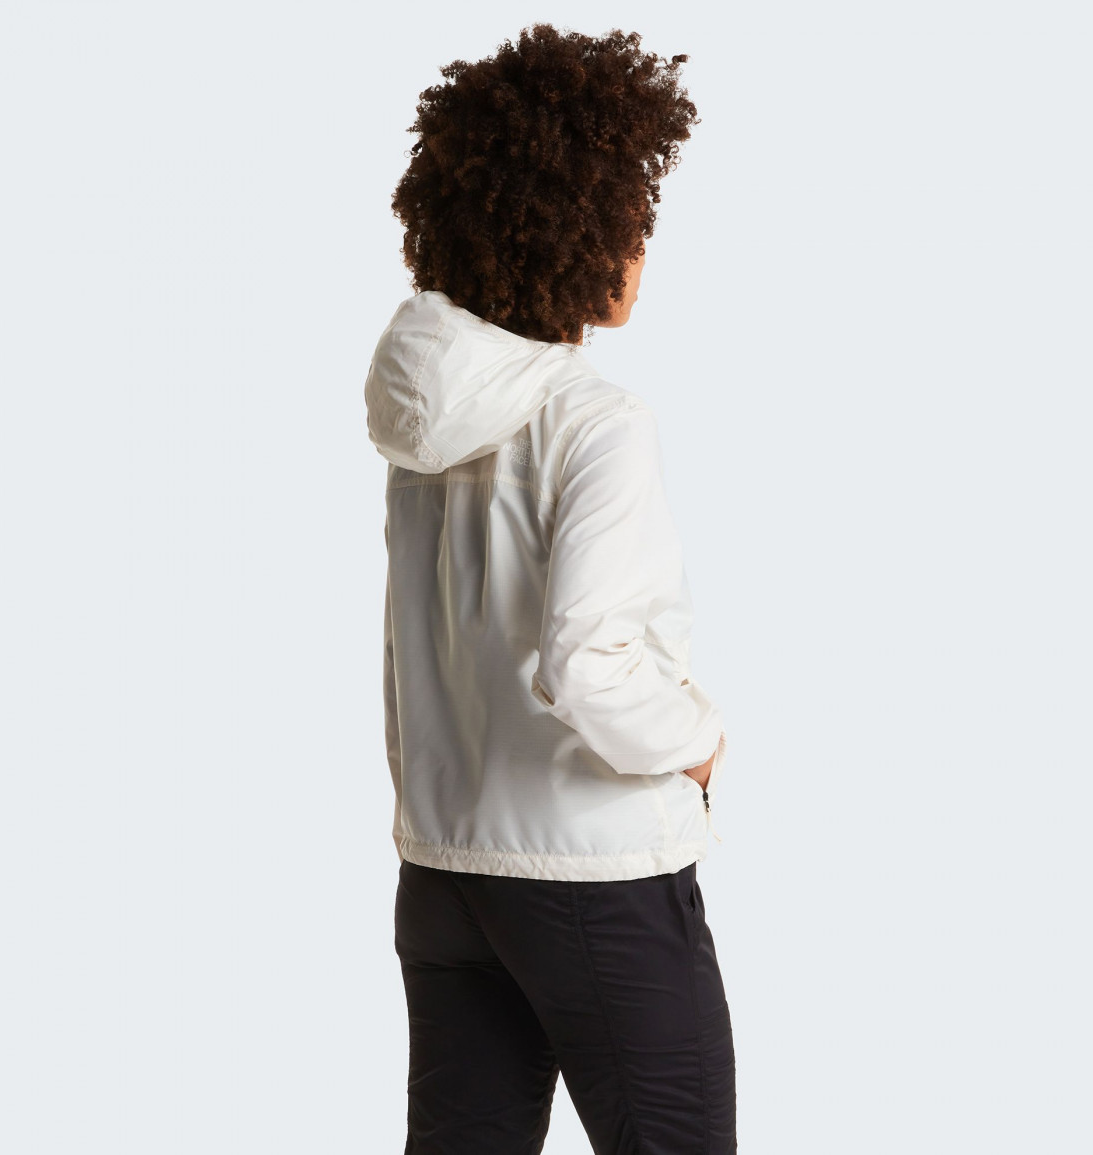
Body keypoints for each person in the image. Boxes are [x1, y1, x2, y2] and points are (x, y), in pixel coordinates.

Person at [364, 23, 735, 1154]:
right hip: (594, 872)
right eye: (628, 217)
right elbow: (587, 663)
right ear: (574, 231)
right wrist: (696, 740)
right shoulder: (594, 422)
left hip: (447, 870)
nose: (640, 246)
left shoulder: (426, 442)